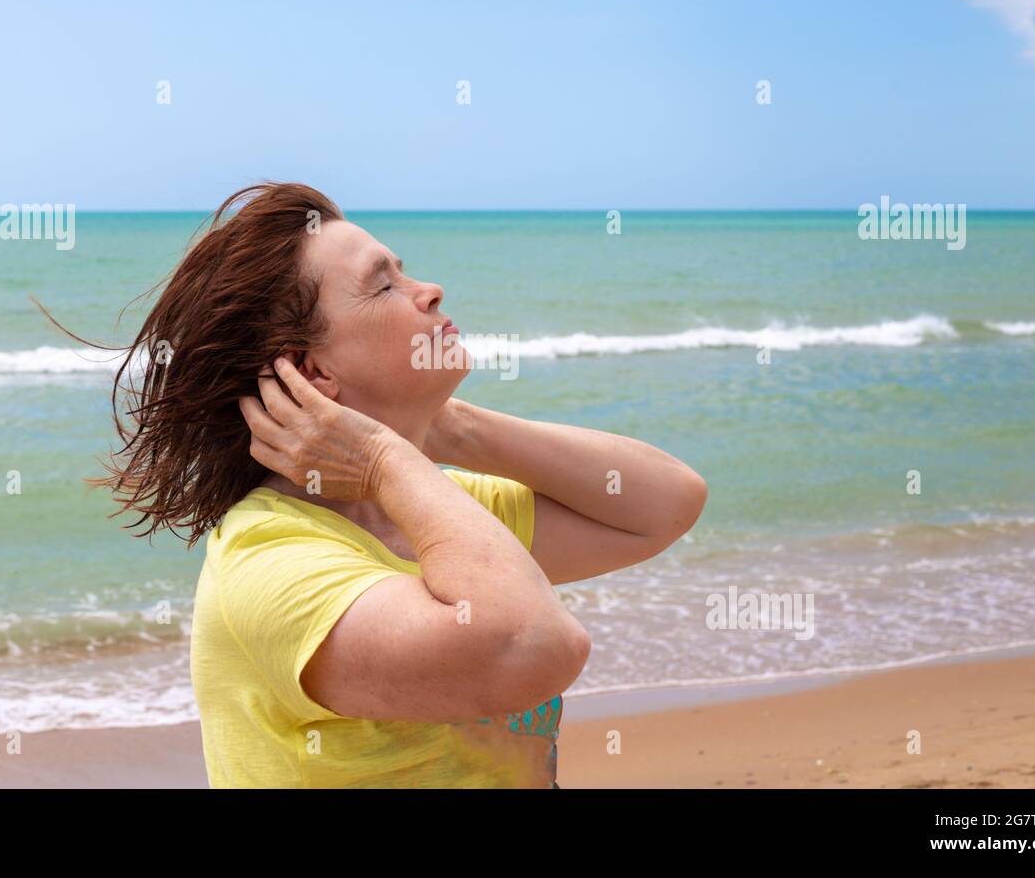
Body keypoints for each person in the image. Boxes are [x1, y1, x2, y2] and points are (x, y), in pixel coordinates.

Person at [66, 181, 707, 787]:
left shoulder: (431, 513)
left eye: (403, 270)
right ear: (312, 374)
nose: (428, 290)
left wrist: (445, 430)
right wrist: (380, 454)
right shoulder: (270, 564)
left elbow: (666, 502)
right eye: (383, 287)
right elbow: (533, 646)